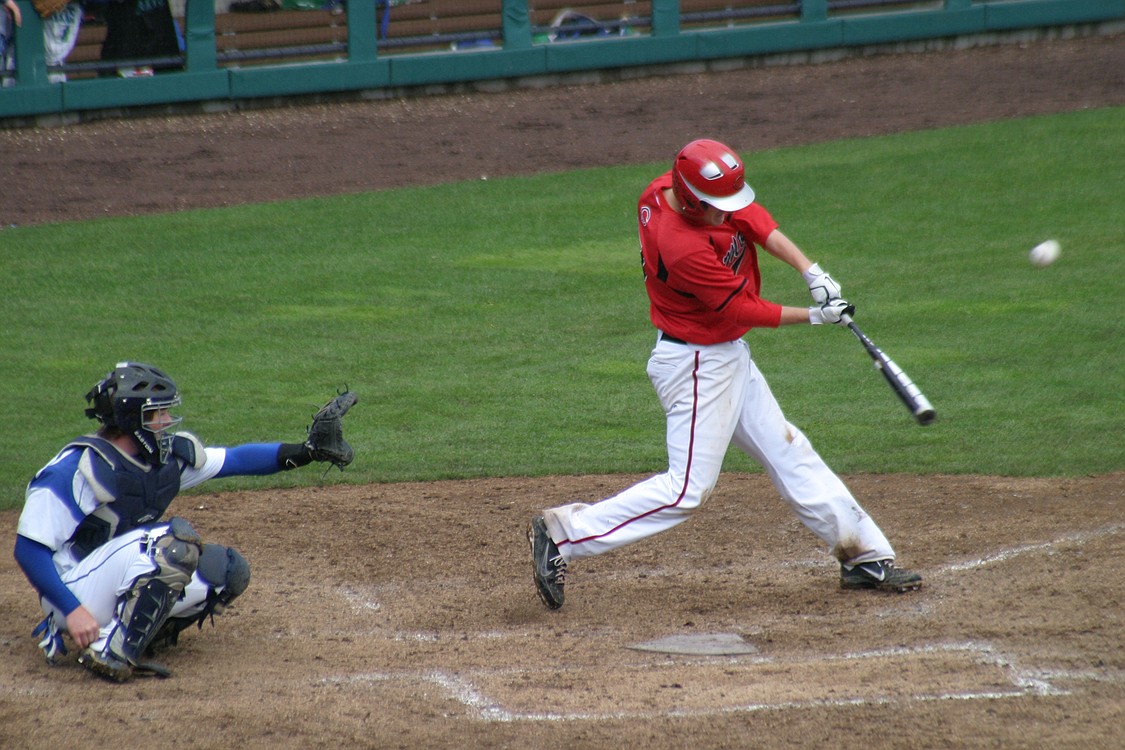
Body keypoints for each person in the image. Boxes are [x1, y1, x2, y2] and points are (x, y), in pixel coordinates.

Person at [527, 138, 921, 610]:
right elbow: (744, 309)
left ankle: (864, 557)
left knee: (789, 451)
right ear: (692, 200)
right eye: (716, 206)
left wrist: (808, 268)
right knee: (687, 490)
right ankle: (562, 535)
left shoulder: (664, 190)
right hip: (697, 367)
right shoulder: (682, 246)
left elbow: (749, 217)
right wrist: (817, 317)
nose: (725, 213)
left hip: (723, 356)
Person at [14, 362, 357, 681]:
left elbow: (235, 460)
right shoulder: (75, 470)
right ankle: (110, 649)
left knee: (225, 571)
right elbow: (28, 550)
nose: (166, 420)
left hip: (113, 580)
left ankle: (135, 634)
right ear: (131, 418)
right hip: (71, 591)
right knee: (173, 545)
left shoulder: (159, 460)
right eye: (157, 413)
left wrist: (307, 450)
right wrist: (73, 610)